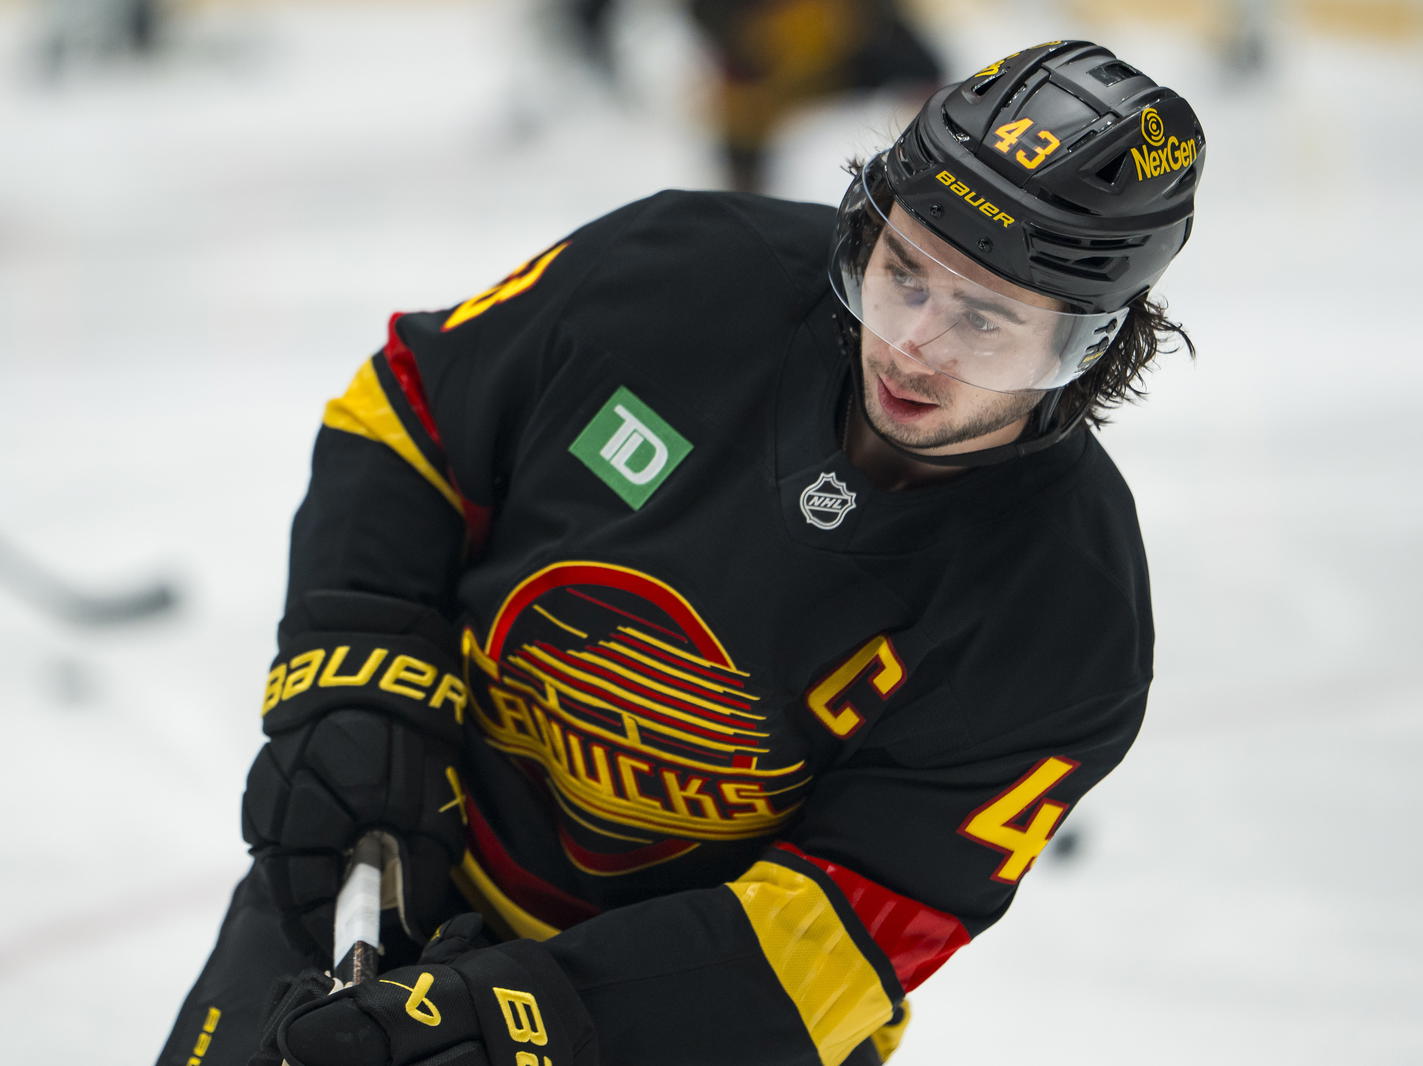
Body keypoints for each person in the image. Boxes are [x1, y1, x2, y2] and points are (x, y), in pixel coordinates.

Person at [154, 39, 1205, 1066]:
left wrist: (533, 1016)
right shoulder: (672, 275)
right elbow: (411, 417)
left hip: (674, 1019)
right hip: (401, 852)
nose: (913, 343)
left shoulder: (1067, 614)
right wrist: (357, 691)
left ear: (1089, 343)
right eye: (902, 273)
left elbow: (835, 937)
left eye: (983, 320)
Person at [559, 0, 944, 191]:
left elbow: (919, 64)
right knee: (743, 182)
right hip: (756, 73)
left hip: (831, 51)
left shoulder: (876, 41)